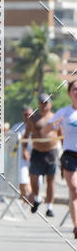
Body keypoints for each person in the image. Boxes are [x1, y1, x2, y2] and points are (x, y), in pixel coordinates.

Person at [47, 79, 77, 238]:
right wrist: (53, 126)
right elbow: (46, 129)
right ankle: (76, 226)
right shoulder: (64, 112)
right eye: (75, 89)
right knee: (74, 190)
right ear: (69, 93)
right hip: (70, 155)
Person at [23, 93, 58, 217]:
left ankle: (49, 207)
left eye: (46, 102)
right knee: (34, 177)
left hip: (51, 152)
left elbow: (61, 134)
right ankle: (37, 198)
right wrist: (24, 150)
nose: (44, 105)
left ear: (50, 103)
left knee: (50, 181)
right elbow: (26, 135)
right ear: (39, 104)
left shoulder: (55, 117)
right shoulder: (33, 119)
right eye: (42, 102)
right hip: (37, 152)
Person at [11, 107, 34, 205]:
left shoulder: (37, 126)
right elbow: (11, 141)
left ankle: (31, 198)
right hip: (21, 158)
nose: (28, 116)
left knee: (33, 179)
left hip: (35, 157)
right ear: (22, 115)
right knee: (22, 179)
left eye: (29, 114)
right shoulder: (17, 126)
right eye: (25, 114)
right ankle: (26, 198)